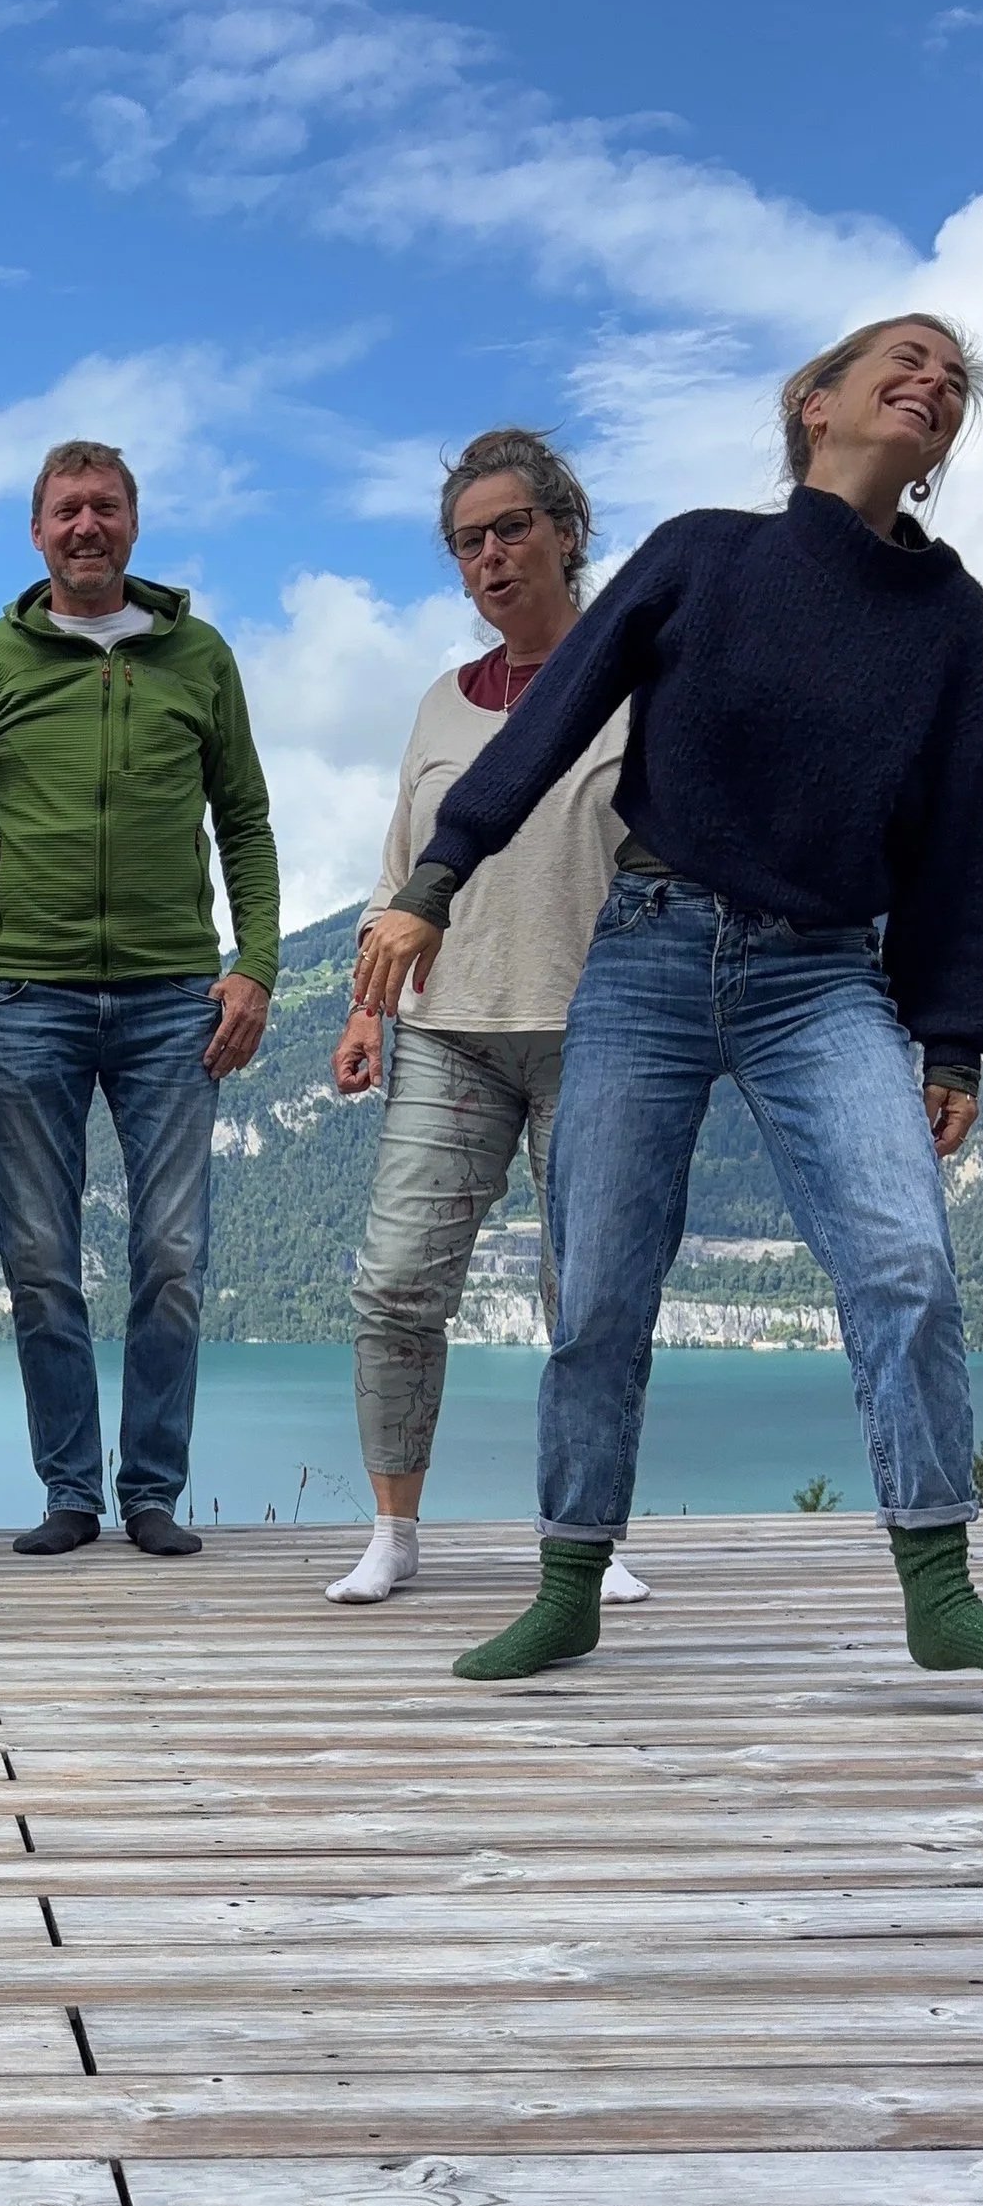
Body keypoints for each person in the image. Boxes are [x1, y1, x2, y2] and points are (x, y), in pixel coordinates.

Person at [354, 313, 983, 1682]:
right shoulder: (706, 554)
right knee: (599, 1288)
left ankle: (940, 1577)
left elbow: (955, 838)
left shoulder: (954, 618)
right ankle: (569, 1581)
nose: (935, 380)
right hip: (647, 949)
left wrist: (953, 1039)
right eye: (906, 357)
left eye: (955, 378)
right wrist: (436, 878)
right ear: (816, 402)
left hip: (824, 974)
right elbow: (550, 716)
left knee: (904, 1261)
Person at [0, 440, 280, 1558]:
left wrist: (258, 964)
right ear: (36, 532)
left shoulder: (199, 657)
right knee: (38, 1257)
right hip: (29, 993)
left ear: (133, 523)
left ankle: (152, 1491)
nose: (87, 525)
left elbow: (246, 823)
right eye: (67, 509)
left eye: (106, 507)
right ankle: (70, 1491)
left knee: (172, 1254)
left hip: (176, 995)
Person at [327, 431, 647, 1612]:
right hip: (446, 1027)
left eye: (513, 528)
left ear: (569, 530)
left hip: (601, 1032)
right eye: (470, 542)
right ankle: (393, 1533)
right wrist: (366, 1008)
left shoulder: (638, 684)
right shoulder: (436, 704)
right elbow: (399, 871)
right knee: (396, 1286)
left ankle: (591, 1534)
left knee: (593, 1297)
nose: (492, 556)